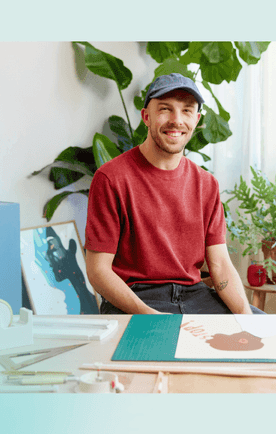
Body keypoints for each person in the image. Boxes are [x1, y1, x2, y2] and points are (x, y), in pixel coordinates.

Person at [84, 73, 262, 315]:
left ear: (197, 120)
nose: (177, 120)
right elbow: (98, 271)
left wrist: (246, 318)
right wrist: (151, 317)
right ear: (146, 116)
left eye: (187, 111)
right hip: (136, 298)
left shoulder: (206, 184)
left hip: (194, 296)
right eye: (166, 109)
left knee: (262, 333)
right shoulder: (111, 178)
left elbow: (220, 264)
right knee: (167, 347)